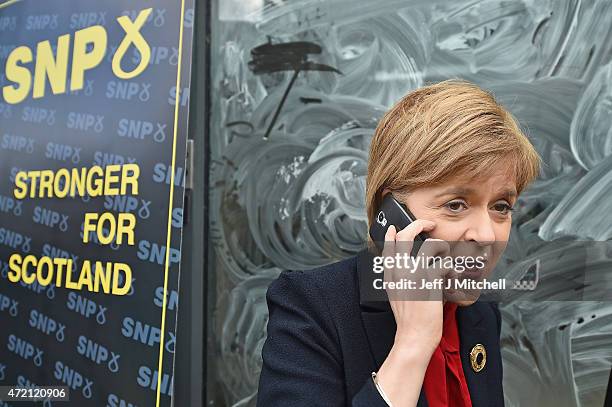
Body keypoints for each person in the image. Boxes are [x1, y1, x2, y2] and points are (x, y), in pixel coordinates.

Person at [256, 79, 541, 406]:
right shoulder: (312, 308)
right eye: (455, 205)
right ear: (390, 215)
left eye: (501, 207)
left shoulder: (479, 316)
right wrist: (412, 344)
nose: (487, 235)